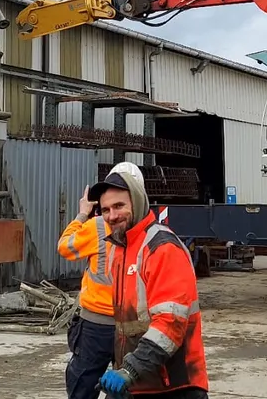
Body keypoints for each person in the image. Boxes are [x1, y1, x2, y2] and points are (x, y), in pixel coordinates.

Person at [89, 165, 208, 398]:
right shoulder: (120, 249)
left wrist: (129, 371)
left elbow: (170, 322)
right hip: (139, 384)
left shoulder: (161, 248)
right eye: (105, 210)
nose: (112, 216)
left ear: (137, 202)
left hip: (175, 387)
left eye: (119, 206)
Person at [59, 162, 143, 399]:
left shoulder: (97, 226)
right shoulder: (148, 232)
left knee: (82, 386)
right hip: (132, 326)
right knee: (125, 388)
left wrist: (82, 213)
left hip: (96, 326)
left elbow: (65, 247)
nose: (112, 213)